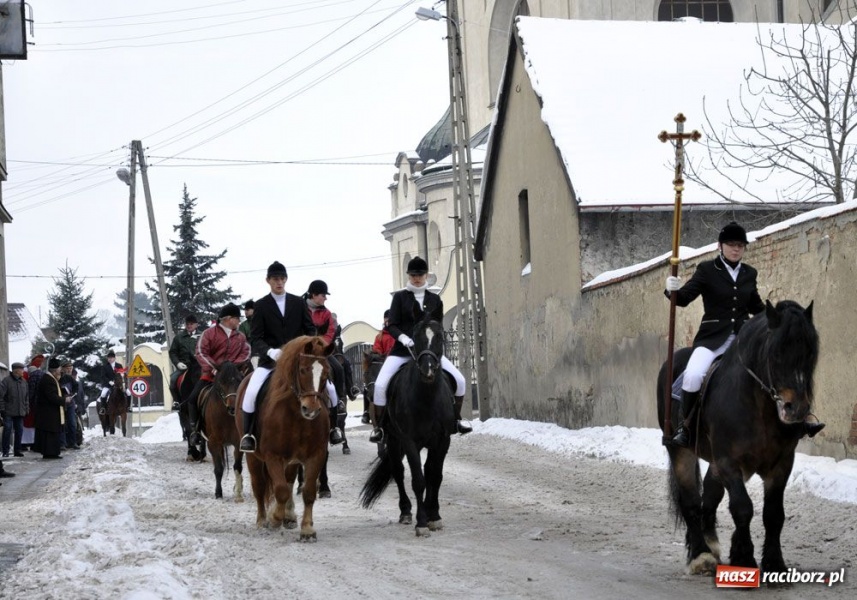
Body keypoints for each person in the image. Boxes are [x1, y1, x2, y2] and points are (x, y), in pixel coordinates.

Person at [664, 221, 825, 446]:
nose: (736, 248)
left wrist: (778, 318)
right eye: (731, 244)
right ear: (720, 246)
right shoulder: (707, 270)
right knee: (693, 375)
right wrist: (672, 289)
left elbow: (755, 306)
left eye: (740, 245)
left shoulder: (750, 273)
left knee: (780, 369)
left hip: (743, 338)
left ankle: (801, 420)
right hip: (712, 338)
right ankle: (685, 427)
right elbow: (683, 299)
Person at [369, 256, 472, 443]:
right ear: (408, 276)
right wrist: (403, 338)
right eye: (413, 275)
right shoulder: (400, 298)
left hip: (428, 353)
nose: (417, 278)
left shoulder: (435, 299)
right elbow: (392, 324)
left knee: (460, 380)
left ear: (426, 276)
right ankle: (380, 428)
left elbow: (438, 327)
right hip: (403, 351)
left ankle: (456, 420)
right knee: (380, 385)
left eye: (420, 275)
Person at [239, 261, 315, 452]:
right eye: (275, 279)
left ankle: (332, 429)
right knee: (250, 393)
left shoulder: (298, 303)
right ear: (268, 281)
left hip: (299, 362)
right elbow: (256, 338)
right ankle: (249, 435)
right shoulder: (261, 306)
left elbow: (310, 330)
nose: (279, 282)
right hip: (270, 363)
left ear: (286, 280)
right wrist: (271, 351)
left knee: (328, 388)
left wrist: (302, 350)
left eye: (282, 279)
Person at [185, 302, 251, 447]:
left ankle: (250, 432)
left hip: (234, 377)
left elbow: (246, 353)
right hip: (211, 375)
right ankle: (195, 431)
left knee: (252, 395)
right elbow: (201, 352)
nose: (239, 321)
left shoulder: (240, 336)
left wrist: (231, 368)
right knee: (192, 398)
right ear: (228, 319)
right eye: (237, 318)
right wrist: (215, 368)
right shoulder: (209, 334)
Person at [304, 279, 344, 446]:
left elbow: (330, 333)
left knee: (338, 370)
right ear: (314, 295)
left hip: (321, 353)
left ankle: (334, 426)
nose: (325, 299)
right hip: (303, 352)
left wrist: (321, 346)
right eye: (323, 295)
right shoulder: (300, 308)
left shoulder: (327, 314)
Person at [35, 358, 65, 459]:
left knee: (52, 433)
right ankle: (50, 453)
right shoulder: (48, 379)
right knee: (49, 433)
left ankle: (52, 452)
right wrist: (64, 400)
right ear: (55, 370)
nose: (60, 371)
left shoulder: (51, 378)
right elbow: (51, 396)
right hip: (48, 412)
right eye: (59, 369)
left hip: (51, 412)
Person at [169, 314, 200, 410]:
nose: (189, 326)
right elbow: (173, 352)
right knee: (173, 380)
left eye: (191, 324)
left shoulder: (202, 335)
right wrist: (178, 363)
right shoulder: (178, 337)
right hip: (184, 367)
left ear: (196, 325)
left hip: (199, 366)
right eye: (187, 324)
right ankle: (177, 401)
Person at [1, 362, 29, 458]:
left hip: (20, 411)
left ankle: (17, 450)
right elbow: (0, 397)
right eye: (22, 369)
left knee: (19, 431)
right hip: (8, 412)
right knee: (7, 431)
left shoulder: (24, 382)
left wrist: (26, 409)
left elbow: (26, 398)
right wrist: (2, 410)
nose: (23, 371)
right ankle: (5, 451)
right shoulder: (6, 381)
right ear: (16, 370)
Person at [98, 350, 129, 415]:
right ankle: (103, 408)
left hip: (119, 385)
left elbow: (122, 374)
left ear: (114, 358)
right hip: (108, 385)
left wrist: (122, 382)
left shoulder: (119, 365)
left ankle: (127, 407)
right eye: (109, 358)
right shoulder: (104, 367)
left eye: (111, 358)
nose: (110, 359)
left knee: (128, 393)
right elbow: (103, 376)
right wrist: (109, 382)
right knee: (103, 394)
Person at [59, 360, 80, 450]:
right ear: (63, 369)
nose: (69, 370)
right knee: (62, 423)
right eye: (67, 368)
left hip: (70, 402)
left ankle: (73, 442)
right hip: (61, 402)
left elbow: (76, 386)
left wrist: (73, 394)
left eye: (71, 368)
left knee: (72, 423)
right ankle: (62, 443)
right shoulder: (58, 378)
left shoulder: (70, 378)